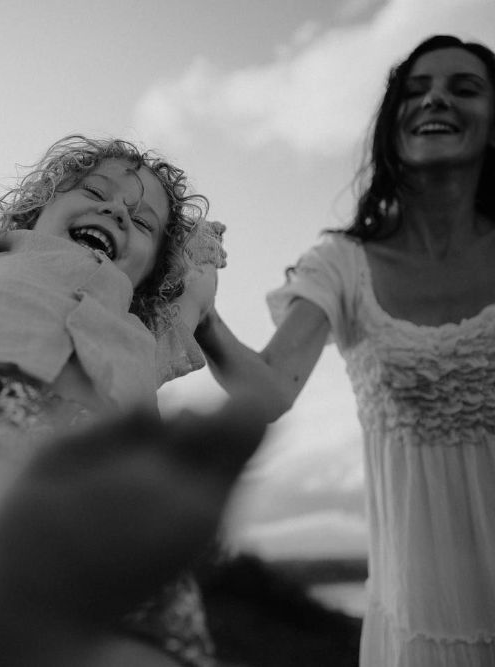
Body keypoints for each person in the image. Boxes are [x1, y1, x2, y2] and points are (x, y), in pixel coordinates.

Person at [0, 129, 266, 667]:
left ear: (154, 271)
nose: (118, 213)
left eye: (144, 221)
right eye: (94, 192)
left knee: (154, 619)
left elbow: (196, 295)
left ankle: (43, 631)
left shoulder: (150, 335)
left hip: (101, 467)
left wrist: (204, 256)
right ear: (37, 209)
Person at [194, 35, 495, 666]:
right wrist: (198, 307)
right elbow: (270, 386)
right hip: (423, 613)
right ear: (393, 127)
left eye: (464, 88)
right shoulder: (342, 265)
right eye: (415, 90)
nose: (435, 98)